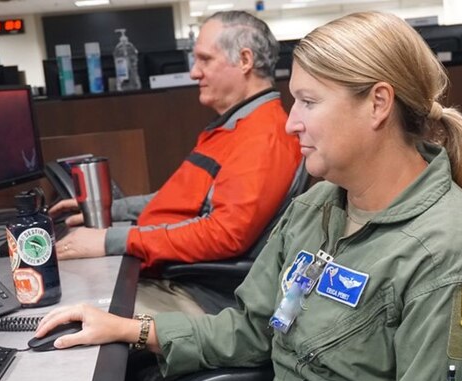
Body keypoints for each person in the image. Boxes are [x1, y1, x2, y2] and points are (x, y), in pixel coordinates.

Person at [36, 11, 462, 381]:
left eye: (309, 102)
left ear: (378, 103)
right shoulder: (319, 208)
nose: (291, 122)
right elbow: (254, 330)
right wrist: (131, 328)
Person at [50, 11, 302, 315]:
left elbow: (223, 234)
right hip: (174, 278)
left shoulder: (263, 136)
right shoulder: (237, 127)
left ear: (245, 60)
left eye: (204, 60)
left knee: (69, 314)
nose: (194, 73)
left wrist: (111, 240)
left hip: (197, 294)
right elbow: (183, 201)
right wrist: (110, 210)